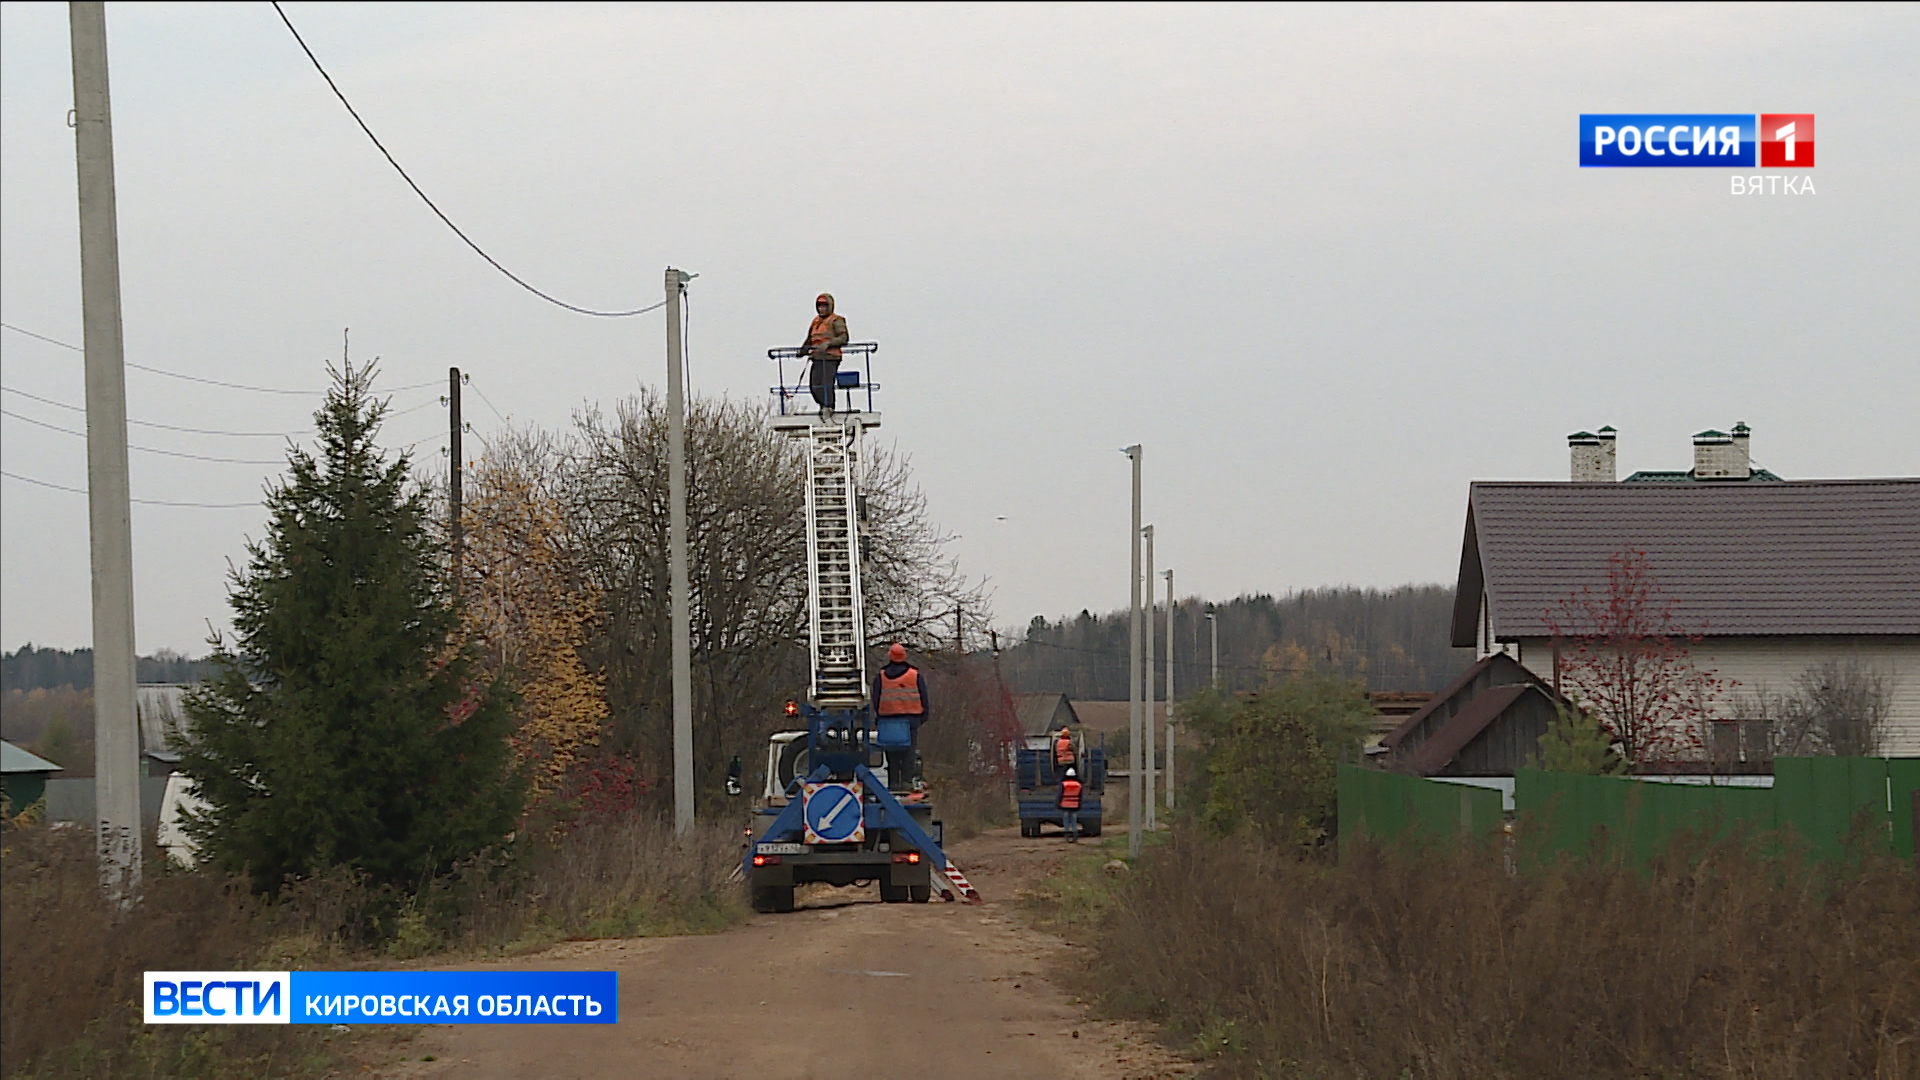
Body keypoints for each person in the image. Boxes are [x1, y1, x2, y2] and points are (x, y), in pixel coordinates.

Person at [872, 642, 928, 791]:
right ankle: (906, 783)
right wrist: (922, 717)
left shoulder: (881, 676)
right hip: (911, 720)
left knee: (892, 754)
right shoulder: (914, 675)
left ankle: (894, 784)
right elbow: (924, 698)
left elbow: (876, 699)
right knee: (909, 753)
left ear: (890, 656)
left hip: (888, 720)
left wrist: (879, 717)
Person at [800, 293, 850, 413]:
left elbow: (844, 337)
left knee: (826, 384)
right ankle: (822, 405)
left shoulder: (836, 320)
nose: (821, 309)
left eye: (824, 306)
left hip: (830, 358)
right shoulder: (815, 322)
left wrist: (829, 344)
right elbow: (810, 339)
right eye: (819, 306)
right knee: (814, 386)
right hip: (817, 358)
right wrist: (803, 349)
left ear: (830, 307)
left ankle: (829, 406)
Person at [1058, 767, 1083, 842]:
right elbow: (1080, 796)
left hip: (1065, 805)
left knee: (1066, 821)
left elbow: (1060, 795)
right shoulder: (1079, 785)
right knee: (1074, 821)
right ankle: (1075, 836)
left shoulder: (1064, 784)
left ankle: (1067, 836)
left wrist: (1058, 804)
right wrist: (1079, 805)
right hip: (1075, 805)